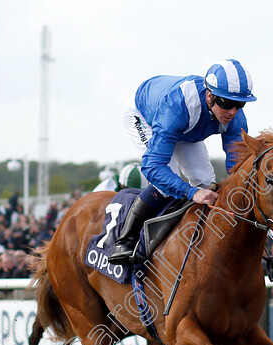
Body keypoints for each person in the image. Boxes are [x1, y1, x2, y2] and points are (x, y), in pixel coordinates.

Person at [108, 60, 256, 264]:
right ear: (210, 95)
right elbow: (153, 167)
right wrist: (192, 193)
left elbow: (237, 167)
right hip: (146, 116)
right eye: (227, 103)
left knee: (206, 182)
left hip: (185, 127)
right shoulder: (176, 107)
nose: (232, 112)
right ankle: (125, 241)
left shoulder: (235, 118)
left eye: (240, 104)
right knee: (168, 184)